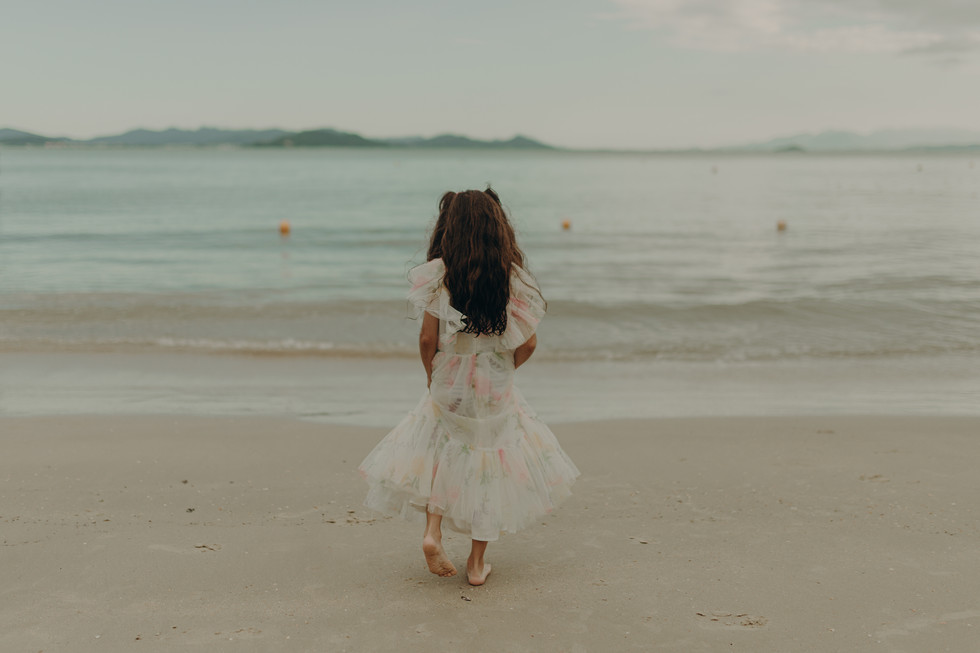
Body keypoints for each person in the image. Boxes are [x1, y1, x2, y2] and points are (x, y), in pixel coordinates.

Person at [358, 188, 579, 586]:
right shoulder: (511, 277)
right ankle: (476, 565)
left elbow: (428, 338)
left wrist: (432, 374)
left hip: (450, 375)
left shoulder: (440, 274)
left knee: (443, 449)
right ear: (498, 228)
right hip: (494, 382)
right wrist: (506, 368)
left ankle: (433, 532)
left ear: (450, 227)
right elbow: (528, 342)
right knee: (487, 464)